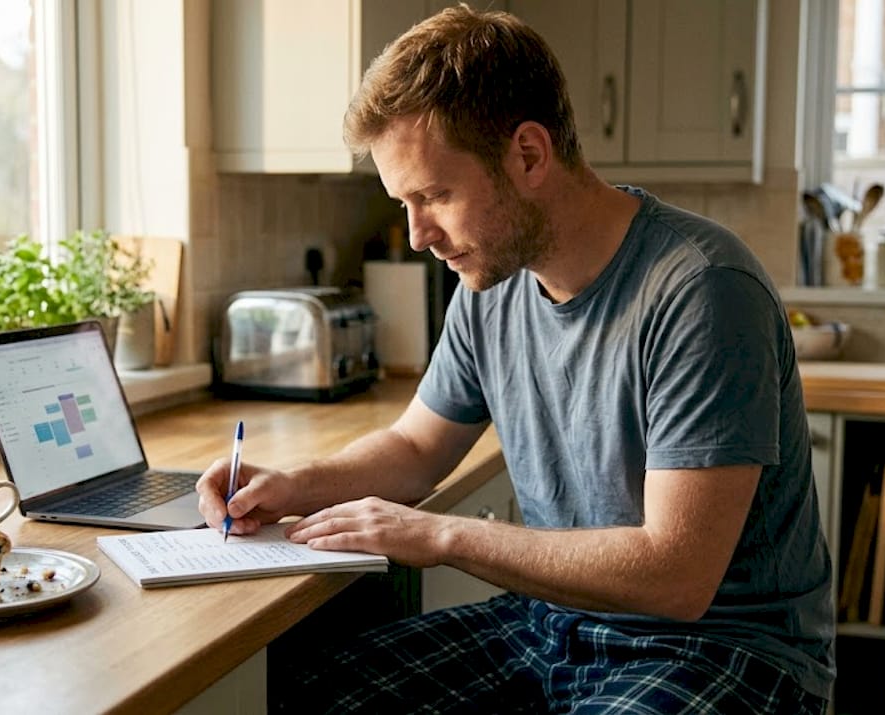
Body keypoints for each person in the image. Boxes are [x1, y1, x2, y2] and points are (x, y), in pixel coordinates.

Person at [197, 6, 834, 713]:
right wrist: (293, 485)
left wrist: (443, 534)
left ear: (529, 155)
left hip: (723, 649)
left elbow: (676, 576)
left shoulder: (702, 289)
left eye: (435, 195)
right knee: (299, 697)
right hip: (552, 624)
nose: (417, 235)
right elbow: (415, 448)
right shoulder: (490, 286)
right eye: (404, 202)